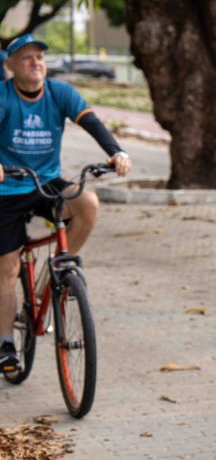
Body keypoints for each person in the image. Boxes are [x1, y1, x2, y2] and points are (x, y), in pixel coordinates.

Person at [0, 34, 132, 370]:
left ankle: (55, 274)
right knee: (8, 268)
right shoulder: (4, 96)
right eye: (26, 57)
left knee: (87, 201)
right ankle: (6, 343)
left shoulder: (59, 92)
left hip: (47, 181)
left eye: (40, 57)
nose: (35, 62)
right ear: (10, 65)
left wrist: (116, 151)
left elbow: (91, 121)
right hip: (8, 189)